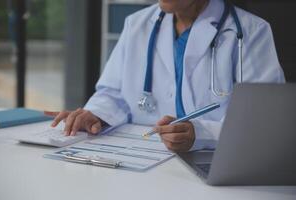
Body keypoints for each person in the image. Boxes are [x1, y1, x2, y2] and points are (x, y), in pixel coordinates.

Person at [45, 0, 285, 152]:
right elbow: (112, 93)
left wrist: (202, 134)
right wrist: (96, 115)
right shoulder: (137, 24)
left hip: (217, 159)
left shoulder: (250, 32)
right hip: (142, 157)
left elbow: (262, 121)